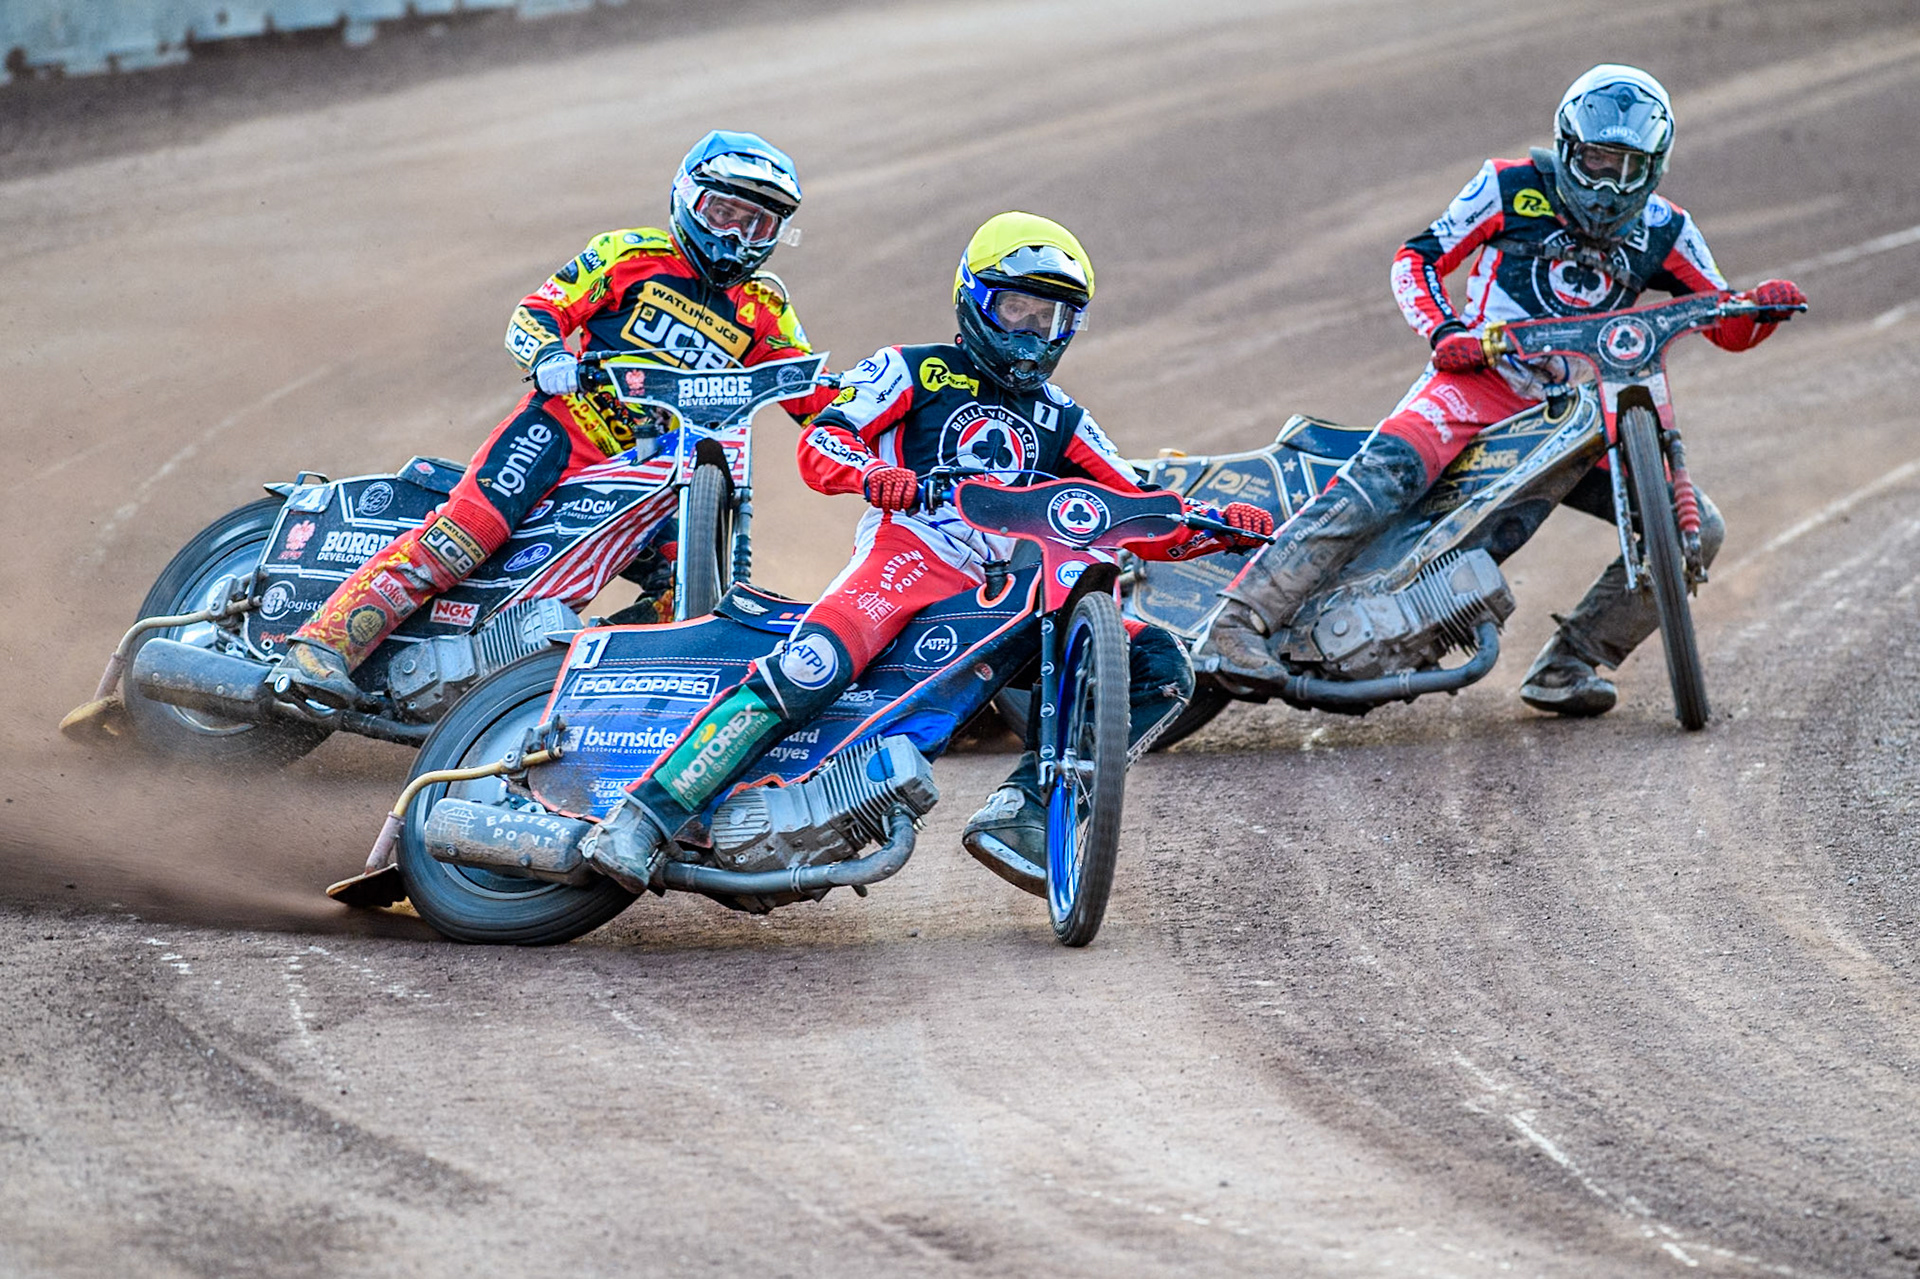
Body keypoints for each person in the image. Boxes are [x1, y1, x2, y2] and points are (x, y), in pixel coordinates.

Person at [581, 212, 1274, 895]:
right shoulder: (911, 370)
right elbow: (823, 440)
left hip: (1008, 589)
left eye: (1052, 319)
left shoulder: (1065, 417)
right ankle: (643, 816)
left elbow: (1139, 511)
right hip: (910, 553)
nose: (1032, 335)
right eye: (1017, 309)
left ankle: (1026, 810)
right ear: (973, 299)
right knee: (809, 666)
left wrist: (1216, 525)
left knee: (1160, 665)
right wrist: (873, 475)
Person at [1203, 64, 1806, 715]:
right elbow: (1418, 257)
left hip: (1580, 419)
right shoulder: (1508, 185)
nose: (1607, 184)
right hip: (1478, 386)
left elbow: (1721, 321)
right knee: (1387, 470)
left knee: (1700, 530)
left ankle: (1570, 663)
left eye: (1626, 167)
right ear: (1568, 147)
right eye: (1596, 161)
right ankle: (1239, 620)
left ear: (1654, 167)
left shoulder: (1668, 231)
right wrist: (1445, 333)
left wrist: (1760, 312)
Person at [269, 130, 833, 708]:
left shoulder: (766, 307)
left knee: (685, 591)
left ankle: (560, 684)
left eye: (758, 224)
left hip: (656, 475)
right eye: (724, 213)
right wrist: (549, 357)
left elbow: (809, 393)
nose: (737, 236)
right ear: (689, 199)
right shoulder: (630, 254)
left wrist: (873, 412)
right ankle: (318, 650)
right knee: (464, 538)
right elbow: (535, 312)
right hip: (564, 432)